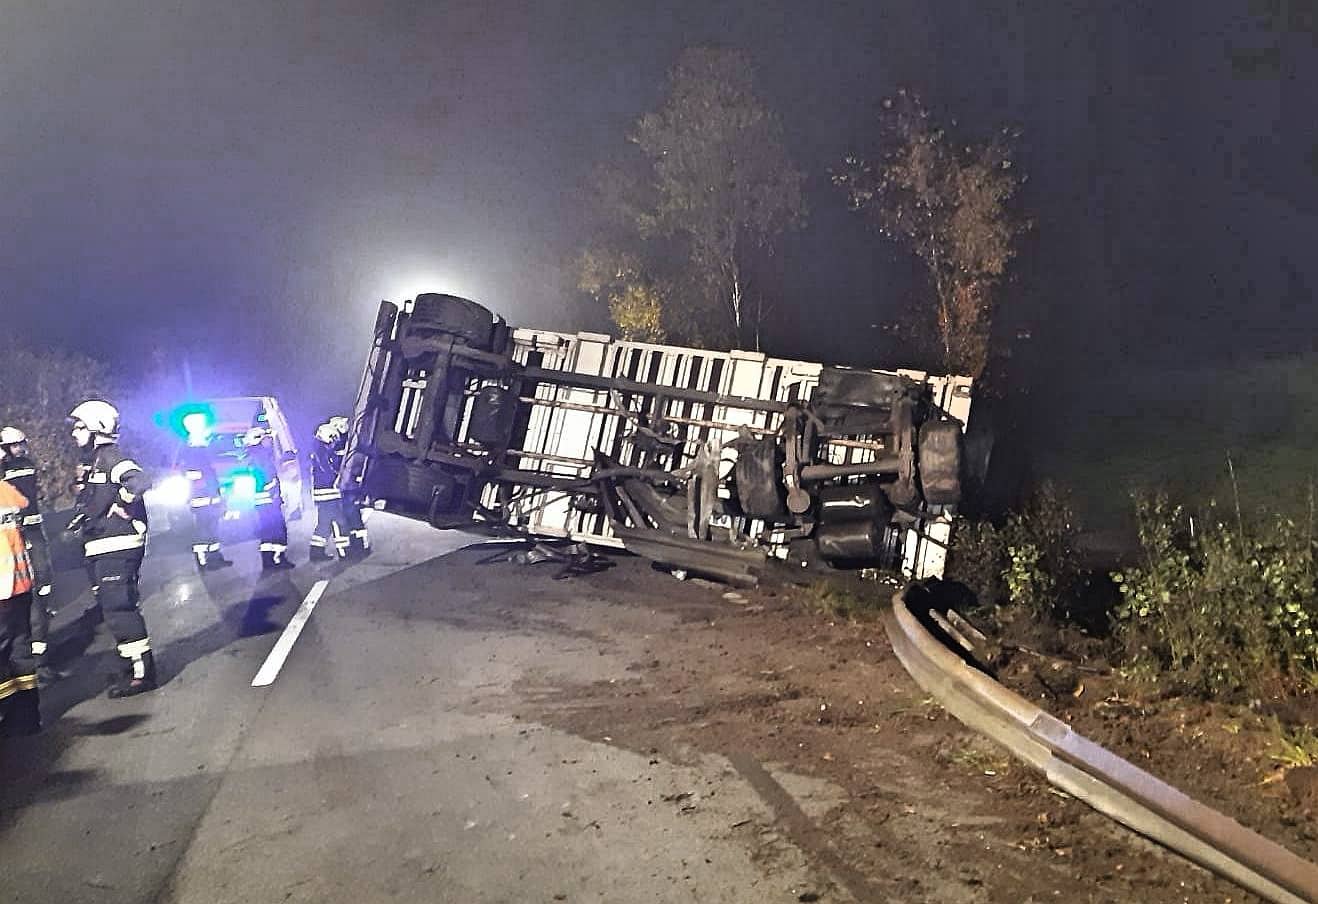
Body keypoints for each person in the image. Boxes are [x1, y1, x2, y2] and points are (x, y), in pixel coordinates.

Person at [67, 400, 157, 698]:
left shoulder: (110, 457)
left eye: (80, 427)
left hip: (117, 545)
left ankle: (141, 674)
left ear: (97, 428)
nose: (74, 434)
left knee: (120, 607)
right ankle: (130, 666)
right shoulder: (94, 462)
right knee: (112, 608)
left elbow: (140, 480)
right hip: (102, 546)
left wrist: (125, 503)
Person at [0, 426, 59, 685]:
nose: (20, 449)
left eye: (21, 444)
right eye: (15, 445)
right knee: (34, 602)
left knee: (39, 597)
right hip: (22, 542)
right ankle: (37, 663)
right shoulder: (10, 471)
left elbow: (26, 503)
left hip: (30, 537)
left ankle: (39, 661)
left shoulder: (21, 467)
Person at [0, 477, 40, 735]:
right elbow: (23, 504)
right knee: (20, 650)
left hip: (1, 590)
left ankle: (9, 715)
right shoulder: (4, 488)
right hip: (19, 586)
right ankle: (28, 718)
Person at [179, 413, 232, 571]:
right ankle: (203, 561)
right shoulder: (193, 451)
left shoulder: (200, 450)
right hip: (201, 498)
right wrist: (207, 489)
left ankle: (215, 558)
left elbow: (209, 474)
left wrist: (216, 491)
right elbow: (195, 475)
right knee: (203, 530)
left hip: (208, 498)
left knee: (212, 529)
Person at [242, 426, 294, 570]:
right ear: (258, 440)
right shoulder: (260, 455)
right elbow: (266, 477)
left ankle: (268, 561)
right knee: (278, 529)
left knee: (267, 530)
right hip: (268, 499)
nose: (269, 441)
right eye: (266, 438)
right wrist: (273, 491)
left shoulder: (253, 455)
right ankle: (278, 559)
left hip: (263, 500)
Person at [328, 416, 369, 557]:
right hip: (346, 486)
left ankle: (355, 547)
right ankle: (357, 547)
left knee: (350, 516)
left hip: (347, 487)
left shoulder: (343, 443)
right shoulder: (345, 443)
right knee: (351, 517)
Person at [308, 422, 349, 561]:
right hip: (328, 494)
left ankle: (316, 551)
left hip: (323, 494)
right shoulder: (322, 453)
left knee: (324, 523)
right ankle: (344, 551)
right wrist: (339, 475)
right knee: (339, 521)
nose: (334, 444)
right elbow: (329, 471)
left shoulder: (320, 450)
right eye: (333, 440)